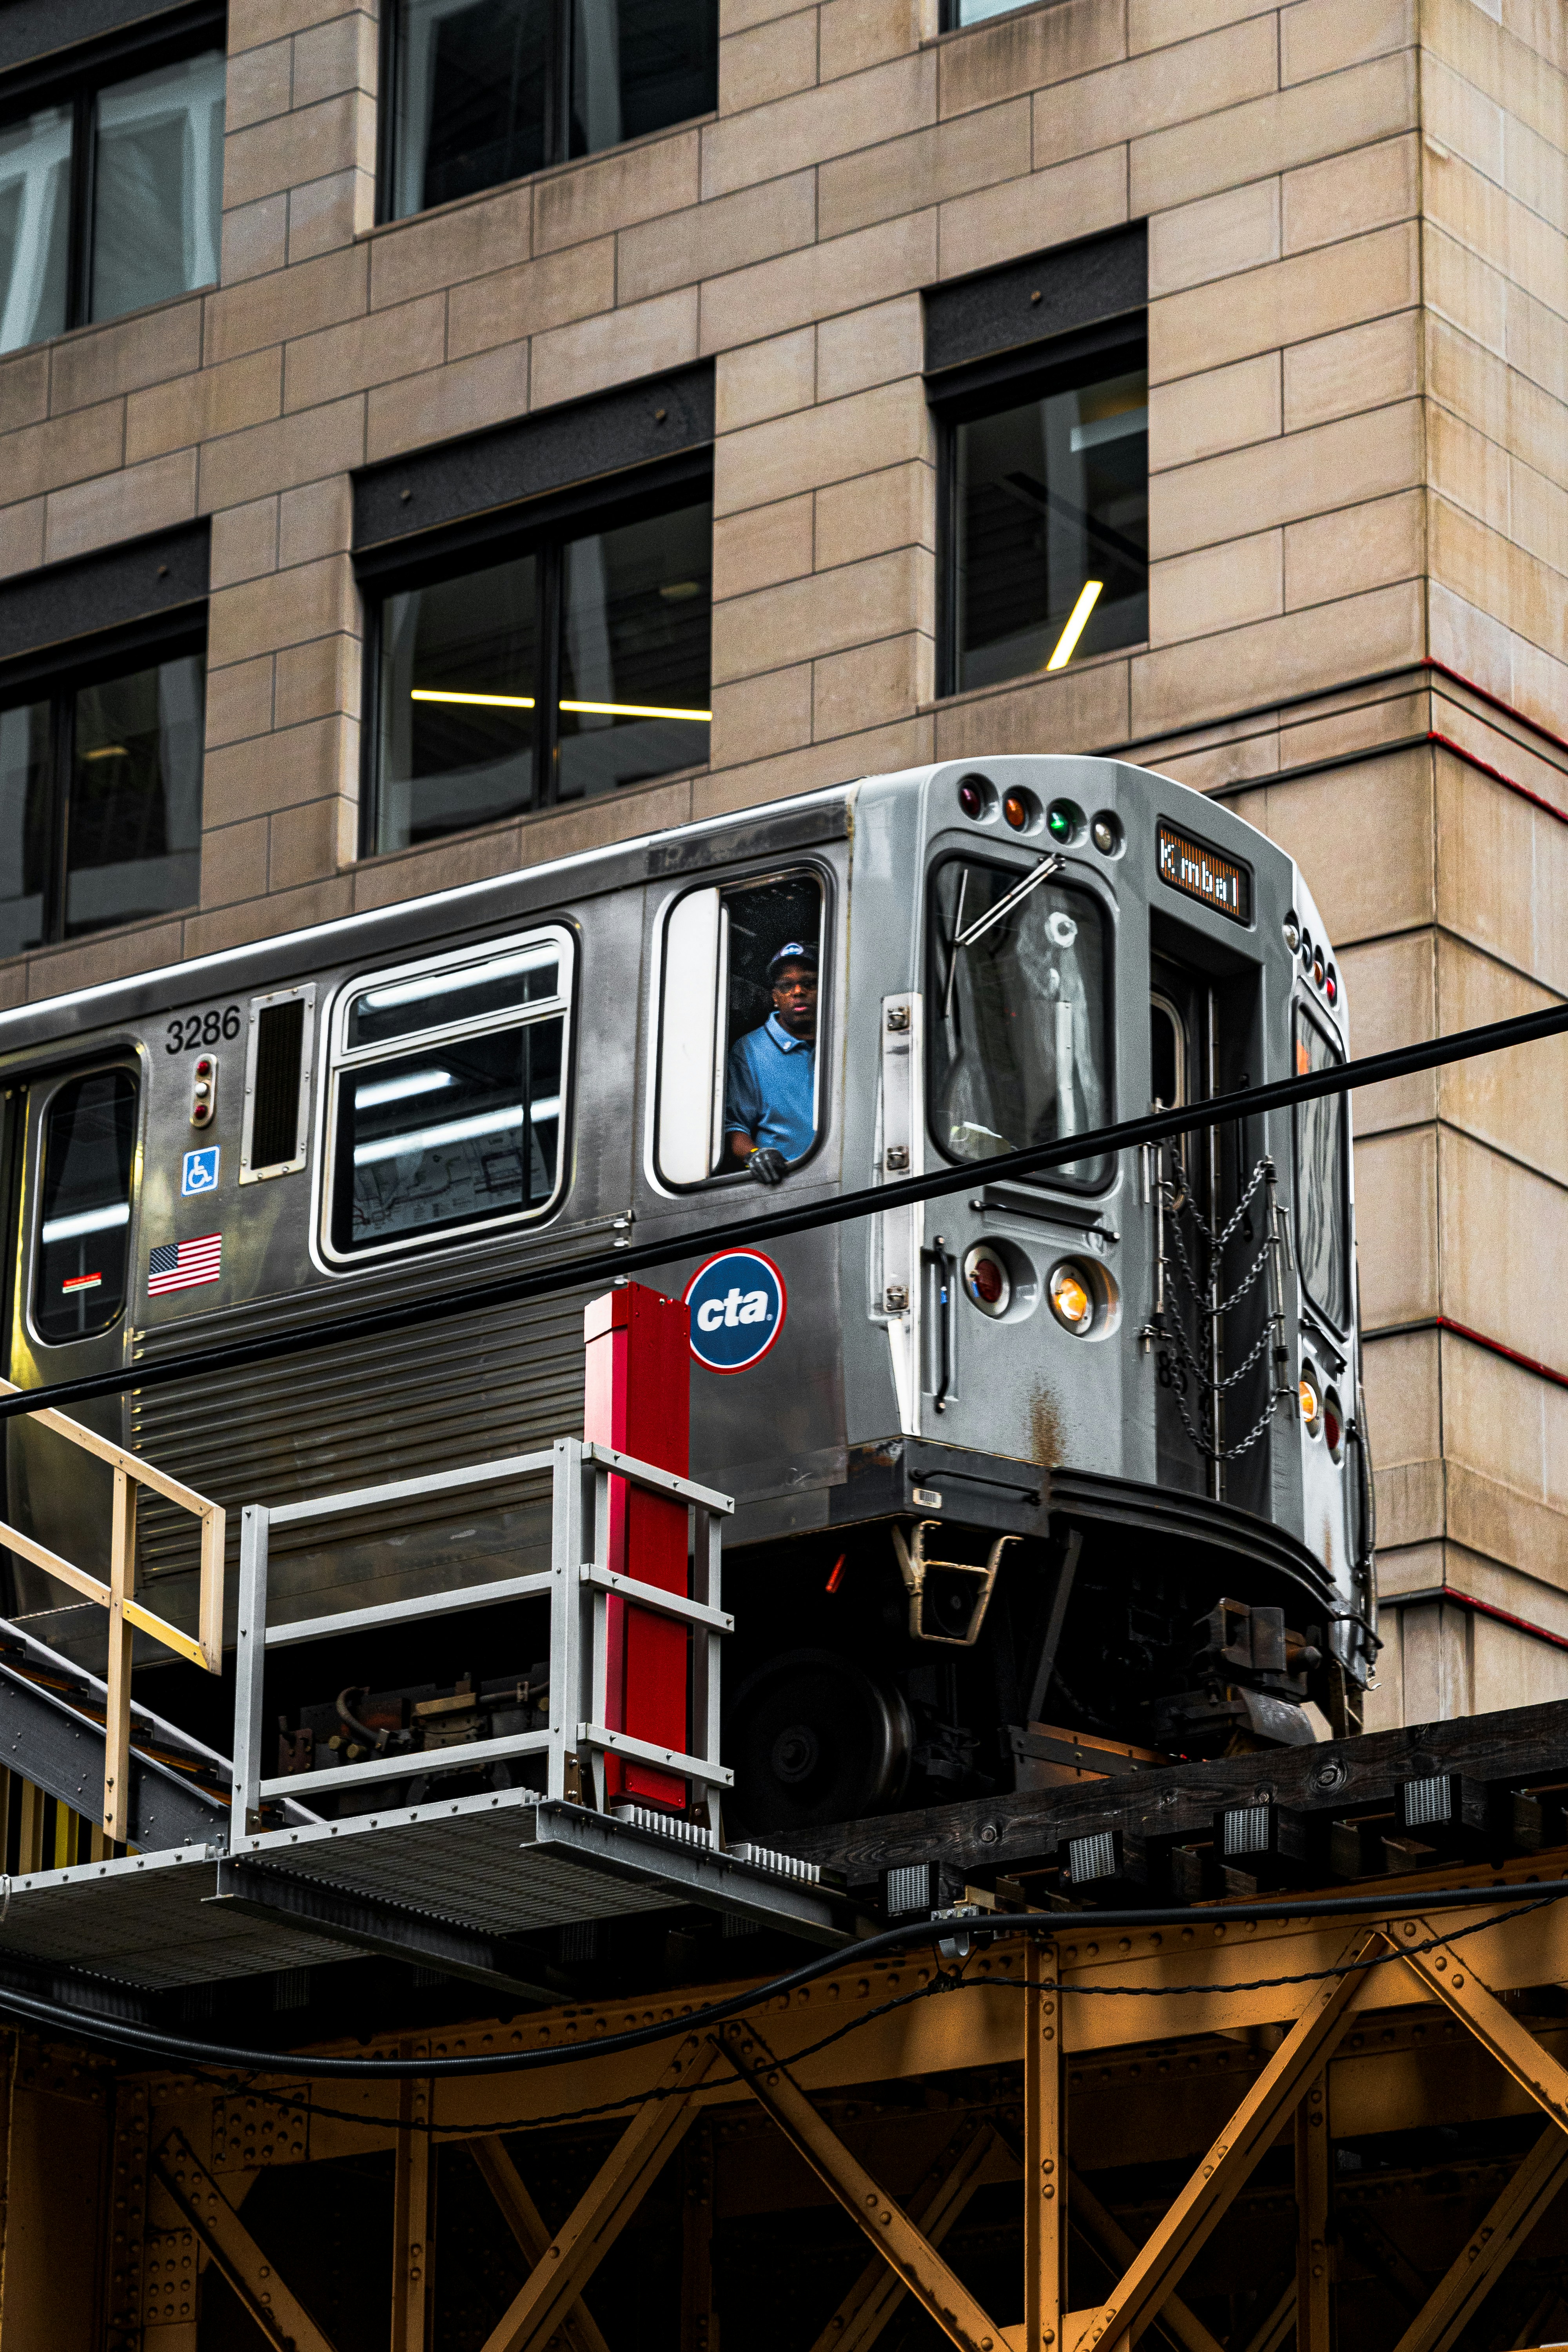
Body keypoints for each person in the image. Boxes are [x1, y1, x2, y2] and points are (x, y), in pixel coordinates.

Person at [724, 942, 817, 1185]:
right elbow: (734, 1126)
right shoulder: (749, 1050)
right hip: (783, 1183)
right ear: (776, 997)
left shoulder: (842, 1039)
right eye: (787, 986)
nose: (798, 992)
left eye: (809, 983)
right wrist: (756, 1155)